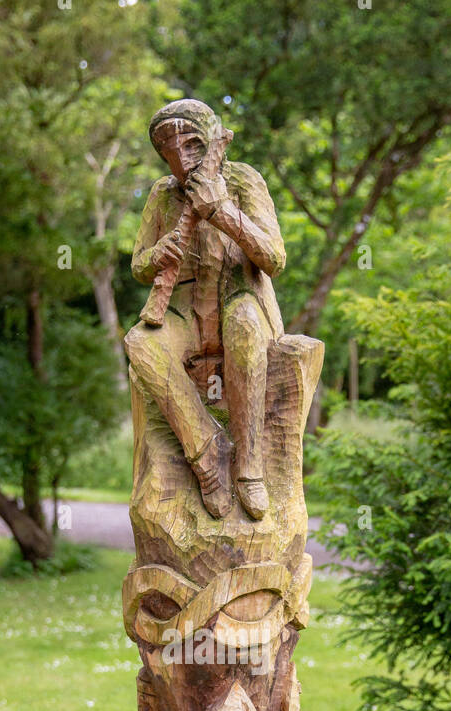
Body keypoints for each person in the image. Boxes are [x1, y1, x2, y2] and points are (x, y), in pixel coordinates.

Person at [125, 99, 286, 521]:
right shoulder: (163, 195)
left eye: (192, 145)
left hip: (238, 298)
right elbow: (138, 264)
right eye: (168, 152)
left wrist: (222, 212)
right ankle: (207, 455)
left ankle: (249, 467)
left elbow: (274, 258)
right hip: (183, 313)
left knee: (247, 326)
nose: (181, 160)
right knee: (141, 343)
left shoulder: (243, 180)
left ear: (214, 141)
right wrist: (158, 254)